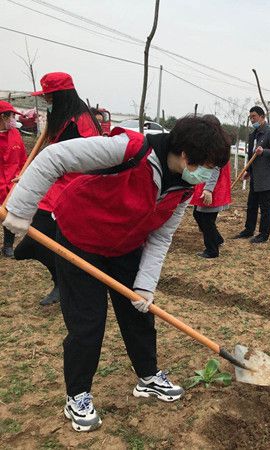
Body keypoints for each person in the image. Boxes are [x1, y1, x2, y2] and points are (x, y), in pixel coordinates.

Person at [3, 115, 230, 432]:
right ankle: (77, 395)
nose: (209, 173)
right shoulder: (129, 149)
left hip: (125, 244)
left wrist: (146, 286)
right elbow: (54, 157)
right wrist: (21, 209)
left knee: (139, 312)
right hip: (80, 237)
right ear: (185, 155)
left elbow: (161, 236)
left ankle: (148, 377)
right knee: (88, 321)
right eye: (206, 165)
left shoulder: (184, 187)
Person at [14, 72, 101, 306]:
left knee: (34, 242)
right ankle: (62, 281)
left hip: (73, 189)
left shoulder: (81, 121)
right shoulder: (60, 115)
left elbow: (92, 160)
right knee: (37, 241)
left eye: (49, 96)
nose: (46, 101)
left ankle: (66, 282)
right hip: (55, 185)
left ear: (60, 94)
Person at [233, 106, 270, 243]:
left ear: (262, 116)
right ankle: (248, 230)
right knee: (251, 205)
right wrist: (249, 171)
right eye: (250, 117)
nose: (252, 119)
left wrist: (264, 151)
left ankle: (263, 234)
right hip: (255, 176)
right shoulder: (253, 134)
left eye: (254, 116)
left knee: (265, 208)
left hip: (265, 177)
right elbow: (251, 155)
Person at [191, 115, 231, 259]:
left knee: (206, 220)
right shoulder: (217, 142)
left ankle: (212, 250)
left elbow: (214, 169)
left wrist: (208, 189)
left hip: (212, 187)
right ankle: (217, 239)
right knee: (199, 214)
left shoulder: (216, 145)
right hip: (210, 186)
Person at [0, 101, 27, 257]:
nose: (13, 120)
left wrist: (22, 175)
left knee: (10, 215)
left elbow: (23, 158)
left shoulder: (15, 134)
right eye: (10, 116)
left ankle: (8, 245)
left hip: (12, 183)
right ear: (3, 117)